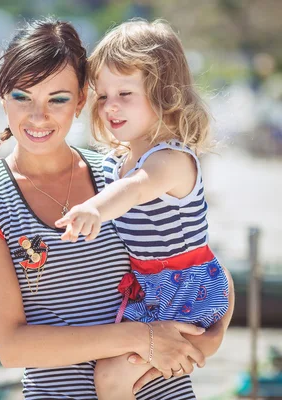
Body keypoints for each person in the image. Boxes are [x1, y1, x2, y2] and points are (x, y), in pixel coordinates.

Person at [0, 18, 234, 399]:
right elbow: (11, 347)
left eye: (58, 98)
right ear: (2, 97)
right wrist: (144, 338)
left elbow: (201, 264)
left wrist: (209, 341)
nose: (37, 116)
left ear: (82, 99)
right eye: (22, 96)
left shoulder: (121, 173)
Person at [54, 19, 233, 399]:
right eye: (102, 96)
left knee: (111, 377)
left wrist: (93, 210)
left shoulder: (169, 160)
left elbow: (135, 189)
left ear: (164, 94)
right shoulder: (116, 160)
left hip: (185, 292)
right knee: (122, 370)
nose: (110, 106)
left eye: (125, 93)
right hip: (154, 290)